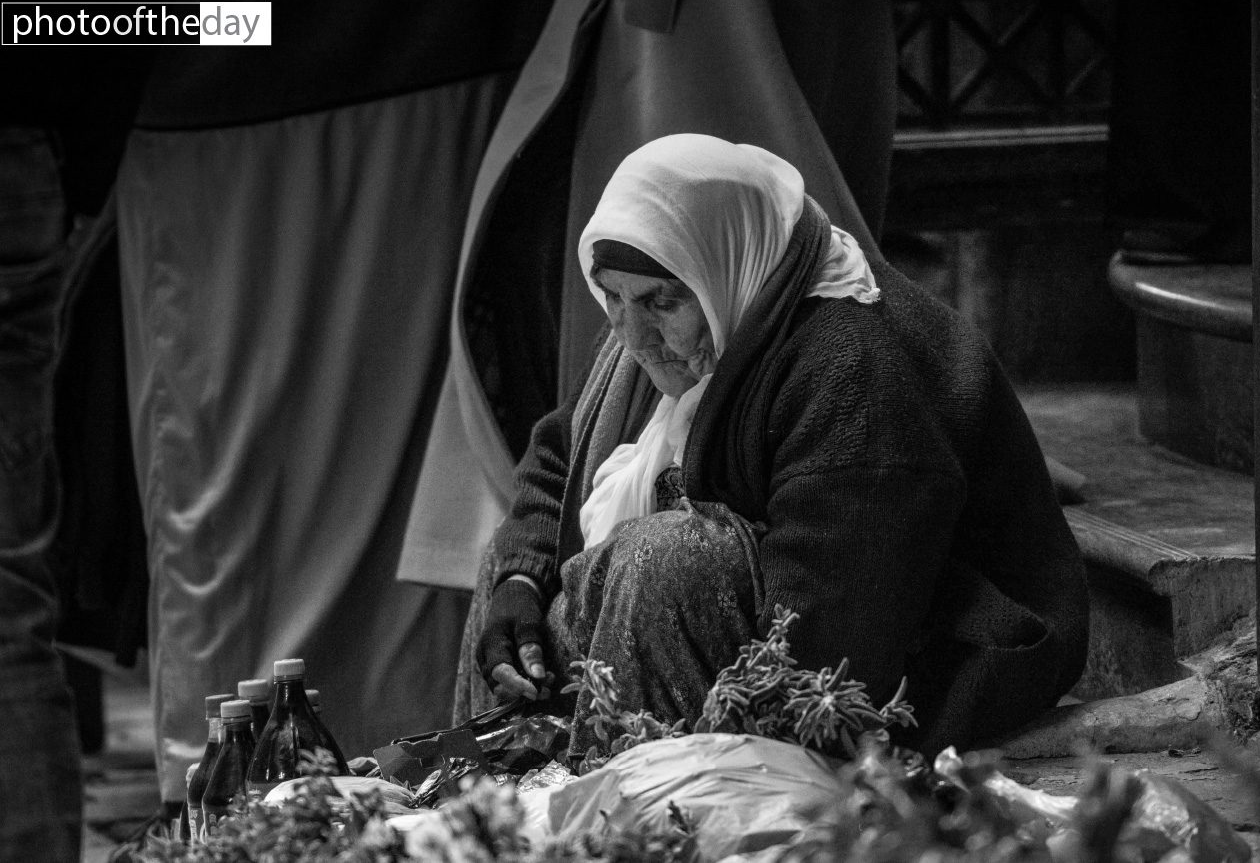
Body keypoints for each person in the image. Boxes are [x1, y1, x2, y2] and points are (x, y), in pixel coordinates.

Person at [458, 134, 1089, 756]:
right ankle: (496, 792)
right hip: (799, 623)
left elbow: (838, 649)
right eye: (613, 298)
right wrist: (520, 580)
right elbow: (556, 461)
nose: (635, 335)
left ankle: (616, 798)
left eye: (659, 302)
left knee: (666, 562)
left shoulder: (852, 375)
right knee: (510, 575)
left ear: (723, 261)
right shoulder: (692, 310)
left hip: (917, 655)